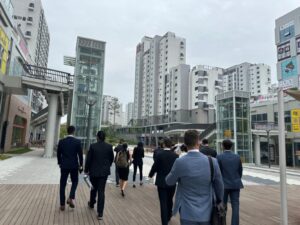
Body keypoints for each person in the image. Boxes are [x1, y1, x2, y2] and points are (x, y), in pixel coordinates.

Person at [166, 130, 224, 225]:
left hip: (187, 213)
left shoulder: (179, 162)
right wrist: (219, 200)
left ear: (185, 143)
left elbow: (169, 181)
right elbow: (220, 186)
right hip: (207, 212)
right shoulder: (212, 162)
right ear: (199, 142)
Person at [84, 131, 114, 220]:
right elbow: (111, 158)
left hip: (93, 171)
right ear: (104, 137)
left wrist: (86, 170)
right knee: (101, 191)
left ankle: (92, 203)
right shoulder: (109, 147)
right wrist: (107, 166)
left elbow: (88, 159)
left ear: (97, 137)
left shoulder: (93, 146)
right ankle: (100, 213)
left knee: (93, 188)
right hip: (104, 172)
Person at [149, 137, 179, 225]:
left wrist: (151, 174)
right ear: (171, 145)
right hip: (172, 182)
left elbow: (155, 166)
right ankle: (169, 215)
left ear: (164, 144)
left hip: (161, 182)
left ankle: (164, 222)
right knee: (170, 199)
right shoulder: (175, 156)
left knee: (163, 202)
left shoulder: (159, 154)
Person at [217, 139, 243, 225]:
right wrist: (237, 179)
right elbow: (240, 171)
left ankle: (222, 223)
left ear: (222, 146)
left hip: (223, 185)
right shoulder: (237, 157)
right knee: (235, 206)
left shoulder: (219, 157)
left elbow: (218, 172)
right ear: (231, 146)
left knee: (222, 206)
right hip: (235, 184)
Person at [57, 125, 83, 211]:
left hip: (64, 165)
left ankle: (62, 205)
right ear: (73, 131)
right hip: (74, 165)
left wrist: (60, 162)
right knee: (75, 181)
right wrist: (81, 165)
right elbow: (80, 155)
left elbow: (58, 154)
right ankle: (71, 197)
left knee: (62, 184)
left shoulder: (61, 141)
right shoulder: (77, 142)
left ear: (67, 132)